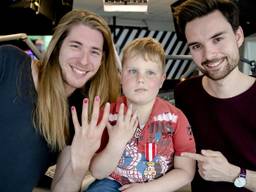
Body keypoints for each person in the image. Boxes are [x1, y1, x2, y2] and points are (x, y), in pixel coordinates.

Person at [0, 9, 120, 192]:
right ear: (57, 46)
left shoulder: (79, 114)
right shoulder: (8, 62)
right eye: (75, 46)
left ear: (102, 60)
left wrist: (80, 162)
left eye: (94, 52)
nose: (84, 61)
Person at [86, 37, 196, 192]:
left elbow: (186, 172)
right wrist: (116, 143)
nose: (140, 79)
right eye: (132, 71)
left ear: (161, 80)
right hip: (112, 182)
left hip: (159, 185)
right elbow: (97, 172)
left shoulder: (176, 119)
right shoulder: (107, 114)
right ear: (121, 77)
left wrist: (147, 189)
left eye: (150, 72)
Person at [173, 0, 256, 191]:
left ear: (238, 36)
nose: (209, 55)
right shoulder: (185, 93)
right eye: (196, 46)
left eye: (217, 39)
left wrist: (234, 174)